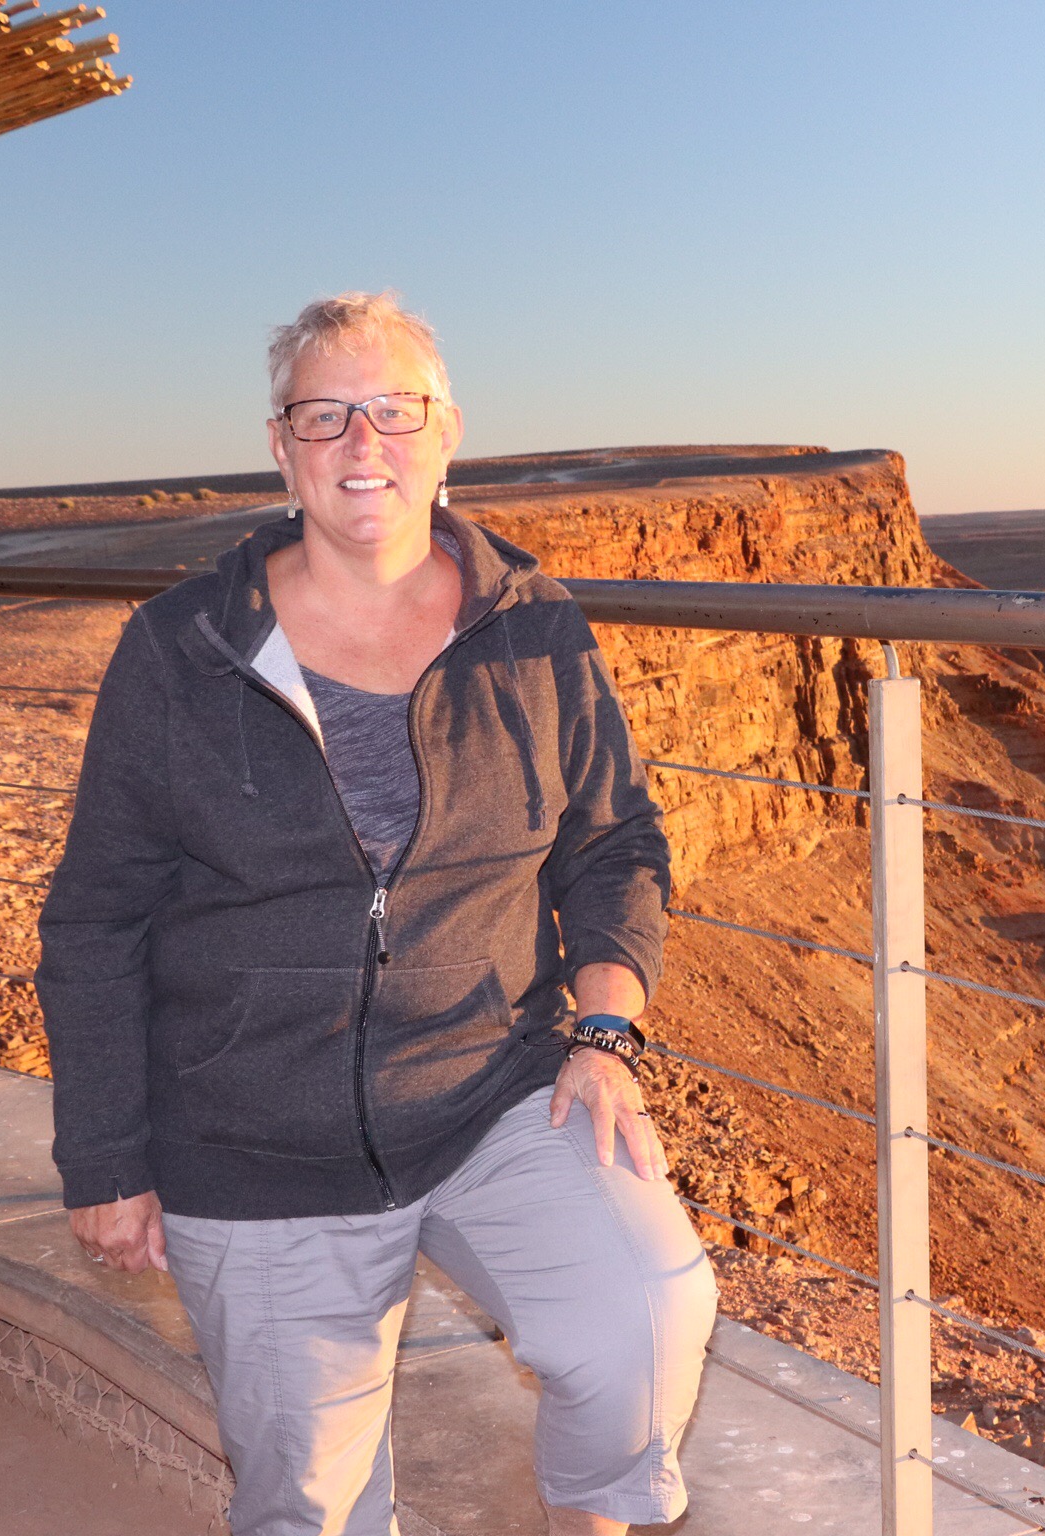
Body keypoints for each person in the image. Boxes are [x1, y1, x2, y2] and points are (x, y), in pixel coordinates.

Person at [37, 291, 715, 1536]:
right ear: (281, 446)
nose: (363, 443)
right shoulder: (180, 649)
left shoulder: (531, 624)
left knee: (648, 1309)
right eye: (326, 415)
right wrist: (108, 1157)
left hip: (492, 1090)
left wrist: (606, 1028)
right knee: (311, 1503)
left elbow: (613, 839)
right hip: (253, 1135)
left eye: (395, 411)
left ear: (447, 432)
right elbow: (96, 917)